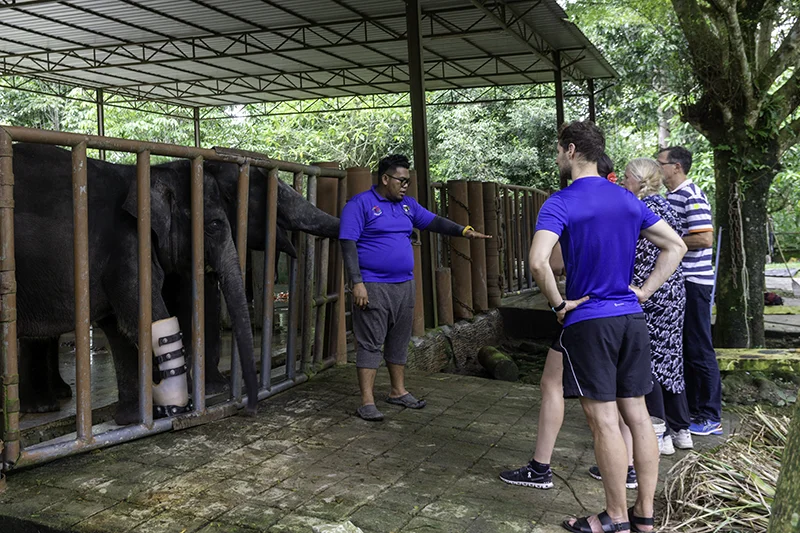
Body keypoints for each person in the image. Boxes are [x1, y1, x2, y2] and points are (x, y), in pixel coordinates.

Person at [529, 121, 686, 533]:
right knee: (637, 415)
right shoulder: (627, 199)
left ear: (570, 149)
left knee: (603, 421)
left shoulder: (560, 202)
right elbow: (676, 246)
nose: (557, 157)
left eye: (557, 150)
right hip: (631, 320)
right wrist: (646, 291)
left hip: (590, 321)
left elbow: (538, 262)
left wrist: (559, 303)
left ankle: (614, 516)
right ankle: (644, 516)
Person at [499, 154, 638, 492]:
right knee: (625, 398)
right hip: (629, 312)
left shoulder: (570, 203)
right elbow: (671, 246)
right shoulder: (629, 206)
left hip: (586, 313)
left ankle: (542, 467)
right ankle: (629, 469)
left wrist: (559, 302)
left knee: (569, 393)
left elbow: (549, 263)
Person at [339, 154, 490, 422]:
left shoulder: (408, 205)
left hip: (404, 284)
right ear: (385, 179)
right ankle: (367, 401)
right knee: (371, 342)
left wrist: (463, 230)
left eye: (408, 181)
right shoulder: (360, 205)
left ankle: (398, 391)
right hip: (373, 285)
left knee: (399, 339)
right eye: (401, 180)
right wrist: (357, 283)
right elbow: (348, 244)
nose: (406, 185)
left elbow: (433, 222)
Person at [622, 158, 693, 454]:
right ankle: (682, 429)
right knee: (670, 359)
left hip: (649, 293)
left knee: (648, 362)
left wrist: (642, 289)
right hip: (673, 291)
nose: (621, 182)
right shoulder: (664, 205)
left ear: (638, 181)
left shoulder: (641, 209)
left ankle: (659, 431)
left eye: (625, 177)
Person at [658, 146, 722, 436]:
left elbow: (705, 238)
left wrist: (669, 240)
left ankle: (710, 415)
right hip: (681, 282)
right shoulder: (671, 197)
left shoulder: (691, 194)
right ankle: (693, 409)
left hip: (695, 281)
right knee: (684, 347)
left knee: (699, 347)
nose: (659, 169)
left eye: (661, 164)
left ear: (677, 167)